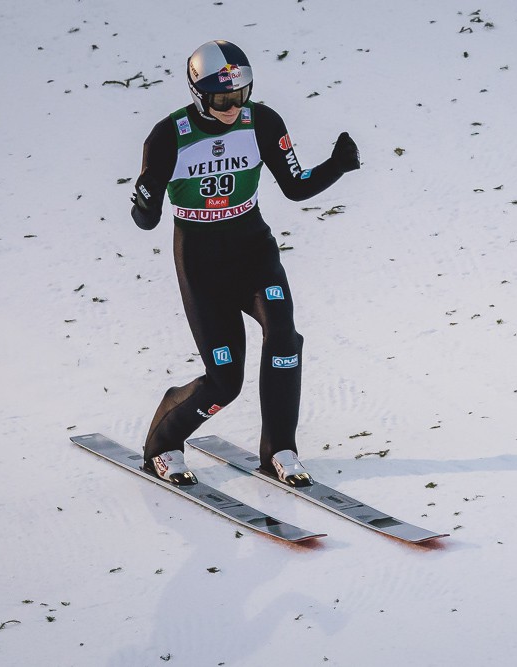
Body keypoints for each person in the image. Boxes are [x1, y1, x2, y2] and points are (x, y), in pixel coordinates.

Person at [130, 40, 360, 487]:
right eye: (222, 100)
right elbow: (147, 220)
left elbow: (295, 185)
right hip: (200, 261)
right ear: (199, 94)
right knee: (225, 381)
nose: (234, 108)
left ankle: (280, 449)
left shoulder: (263, 122)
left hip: (252, 249)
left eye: (241, 95)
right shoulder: (168, 136)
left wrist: (337, 165)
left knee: (283, 336)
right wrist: (144, 200)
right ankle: (163, 443)